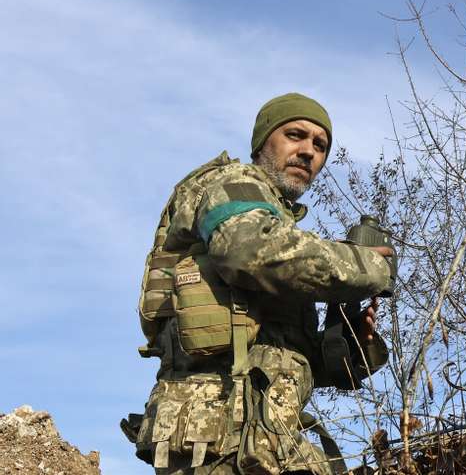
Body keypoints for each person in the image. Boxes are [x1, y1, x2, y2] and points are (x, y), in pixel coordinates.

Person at [123, 93, 394, 474]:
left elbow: (291, 357)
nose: (308, 152)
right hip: (218, 434)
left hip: (264, 440)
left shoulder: (281, 232)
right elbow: (247, 251)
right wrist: (365, 267)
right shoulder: (230, 183)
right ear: (263, 141)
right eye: (295, 135)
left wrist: (353, 344)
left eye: (320, 146)